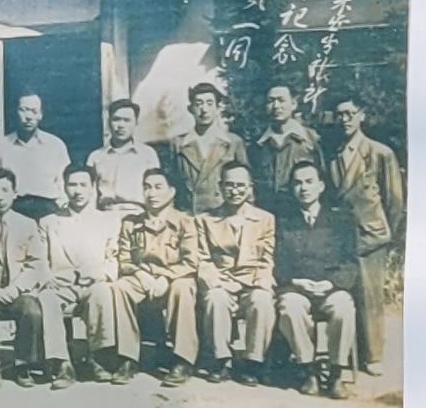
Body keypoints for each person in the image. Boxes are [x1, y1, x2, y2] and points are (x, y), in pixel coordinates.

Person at [330, 98, 406, 375]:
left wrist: (383, 232)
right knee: (344, 294)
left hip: (370, 235)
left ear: (362, 115)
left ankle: (373, 355)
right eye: (339, 115)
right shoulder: (333, 154)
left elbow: (394, 200)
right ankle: (347, 354)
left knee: (370, 297)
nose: (344, 120)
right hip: (342, 236)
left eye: (350, 114)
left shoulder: (379, 152)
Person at [273, 158, 361, 394]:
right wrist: (295, 281)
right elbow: (277, 261)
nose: (304, 188)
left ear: (321, 186)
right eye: (298, 183)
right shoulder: (283, 221)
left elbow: (351, 262)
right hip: (297, 287)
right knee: (290, 307)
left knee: (343, 307)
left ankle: (336, 373)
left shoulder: (340, 219)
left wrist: (331, 283)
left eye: (309, 181)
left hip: (330, 287)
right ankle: (308, 369)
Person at [0, 167, 57, 382]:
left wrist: (16, 288)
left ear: (15, 193)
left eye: (5, 190)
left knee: (32, 311)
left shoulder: (28, 225)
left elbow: (36, 263)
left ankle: (23, 364)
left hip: (19, 291)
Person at [115, 163, 204, 379]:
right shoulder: (131, 223)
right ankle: (128, 357)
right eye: (147, 187)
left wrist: (165, 277)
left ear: (171, 192)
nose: (151, 193)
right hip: (141, 277)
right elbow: (124, 260)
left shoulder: (186, 222)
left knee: (183, 288)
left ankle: (183, 359)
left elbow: (190, 262)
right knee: (119, 288)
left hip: (174, 278)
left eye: (158, 187)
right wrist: (140, 274)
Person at [195, 162, 282, 376]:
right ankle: (221, 359)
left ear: (250, 187)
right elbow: (203, 258)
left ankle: (253, 361)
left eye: (241, 185)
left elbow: (267, 258)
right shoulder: (205, 220)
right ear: (220, 186)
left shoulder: (265, 219)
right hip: (222, 280)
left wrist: (261, 281)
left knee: (262, 300)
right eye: (229, 185)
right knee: (215, 298)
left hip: (252, 281)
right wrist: (215, 279)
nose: (235, 191)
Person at [43, 165, 122, 375]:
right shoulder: (49, 222)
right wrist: (48, 276)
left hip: (93, 282)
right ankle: (61, 362)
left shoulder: (108, 221)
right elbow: (39, 259)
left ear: (93, 187)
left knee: (102, 293)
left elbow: (113, 259)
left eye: (83, 185)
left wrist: (98, 275)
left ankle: (99, 357)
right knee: (46, 298)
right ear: (64, 187)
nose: (77, 191)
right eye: (72, 185)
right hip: (60, 284)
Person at [166, 81, 250, 214]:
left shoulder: (233, 142)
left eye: (209, 103)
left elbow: (246, 183)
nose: (204, 109)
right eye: (198, 104)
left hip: (223, 215)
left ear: (217, 108)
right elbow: (170, 184)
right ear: (190, 109)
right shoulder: (178, 144)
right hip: (189, 214)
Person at [0, 93, 72, 216]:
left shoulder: (55, 145)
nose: (28, 116)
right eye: (23, 110)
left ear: (40, 115)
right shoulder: (0, 147)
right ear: (15, 112)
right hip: (15, 210)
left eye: (34, 111)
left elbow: (64, 182)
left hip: (49, 210)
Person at [87, 98, 154, 212]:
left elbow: (155, 190)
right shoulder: (96, 157)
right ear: (109, 122)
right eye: (116, 120)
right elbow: (90, 194)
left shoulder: (147, 155)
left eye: (127, 120)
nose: (121, 125)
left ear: (136, 123)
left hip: (138, 213)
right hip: (106, 213)